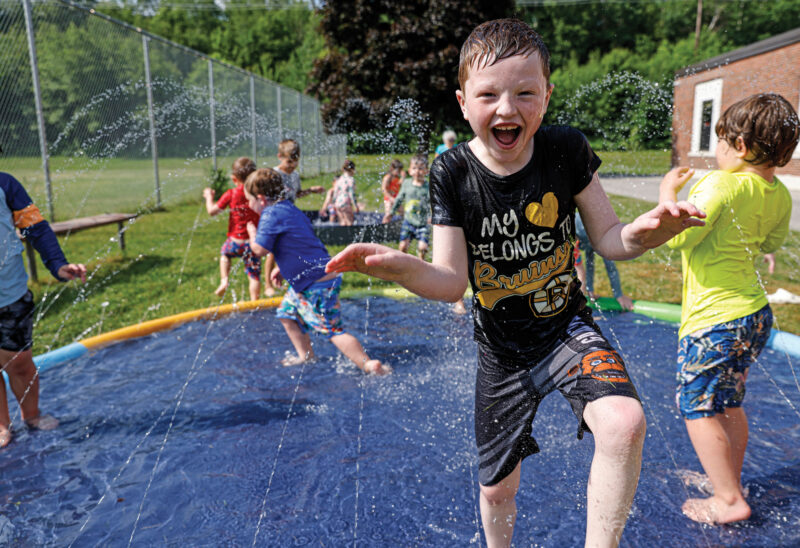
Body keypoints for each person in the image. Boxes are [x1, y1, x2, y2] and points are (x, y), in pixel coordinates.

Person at [326, 19, 705, 547]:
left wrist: (648, 231)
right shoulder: (452, 173)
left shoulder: (565, 150)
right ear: (463, 102)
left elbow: (611, 239)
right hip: (502, 353)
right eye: (489, 95)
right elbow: (450, 282)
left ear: (546, 97)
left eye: (525, 93)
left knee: (624, 422)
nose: (507, 109)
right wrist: (398, 265)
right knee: (498, 490)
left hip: (566, 327)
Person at [659, 93, 798, 526]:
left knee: (696, 406)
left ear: (739, 146)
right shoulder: (778, 194)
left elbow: (679, 235)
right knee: (728, 401)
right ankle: (728, 480)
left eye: (720, 142)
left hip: (715, 318)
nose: (716, 152)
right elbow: (771, 244)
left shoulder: (721, 184)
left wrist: (668, 191)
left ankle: (728, 501)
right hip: (755, 315)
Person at [243, 168, 390, 375]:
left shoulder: (269, 213)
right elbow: (298, 243)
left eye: (249, 200)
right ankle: (306, 357)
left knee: (332, 329)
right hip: (313, 278)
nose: (249, 205)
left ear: (260, 198)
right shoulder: (290, 208)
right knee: (287, 314)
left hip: (316, 283)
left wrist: (251, 234)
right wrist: (281, 268)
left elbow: (259, 250)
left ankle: (368, 364)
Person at [1, 171, 86, 448]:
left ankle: (32, 416)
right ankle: (2, 425)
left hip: (9, 295)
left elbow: (35, 228)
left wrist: (57, 264)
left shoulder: (5, 185)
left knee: (20, 364)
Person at [267, 139, 325, 295]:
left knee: (291, 248)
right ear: (280, 156)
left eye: (296, 161)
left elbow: (297, 194)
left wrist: (311, 190)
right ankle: (268, 285)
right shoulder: (274, 175)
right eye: (289, 161)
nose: (292, 165)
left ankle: (289, 278)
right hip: (276, 216)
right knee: (274, 250)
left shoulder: (295, 175)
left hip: (290, 216)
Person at [203, 157, 262, 301]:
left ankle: (224, 280)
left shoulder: (231, 193)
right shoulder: (258, 195)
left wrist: (208, 197)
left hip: (235, 241)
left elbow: (212, 211)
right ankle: (255, 302)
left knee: (225, 254)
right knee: (253, 275)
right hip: (253, 242)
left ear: (234, 179)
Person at [575, 212, 634, 310]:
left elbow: (610, 267)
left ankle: (587, 294)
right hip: (583, 230)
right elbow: (583, 269)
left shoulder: (600, 237)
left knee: (594, 262)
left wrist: (618, 294)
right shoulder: (576, 233)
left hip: (595, 232)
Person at [382, 154, 431, 261]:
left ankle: (421, 263)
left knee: (423, 247)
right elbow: (399, 199)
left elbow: (434, 204)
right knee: (403, 246)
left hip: (423, 222)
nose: (417, 171)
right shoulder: (406, 184)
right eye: (414, 168)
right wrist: (391, 213)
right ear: (409, 171)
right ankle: (403, 263)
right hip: (408, 221)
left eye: (421, 169)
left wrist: (432, 217)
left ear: (426, 171)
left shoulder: (428, 187)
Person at [331, 159, 359, 226]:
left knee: (342, 223)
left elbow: (335, 193)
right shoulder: (351, 179)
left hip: (338, 203)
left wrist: (333, 203)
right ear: (352, 169)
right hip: (346, 203)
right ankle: (349, 236)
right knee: (349, 222)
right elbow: (351, 194)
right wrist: (355, 205)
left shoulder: (339, 179)